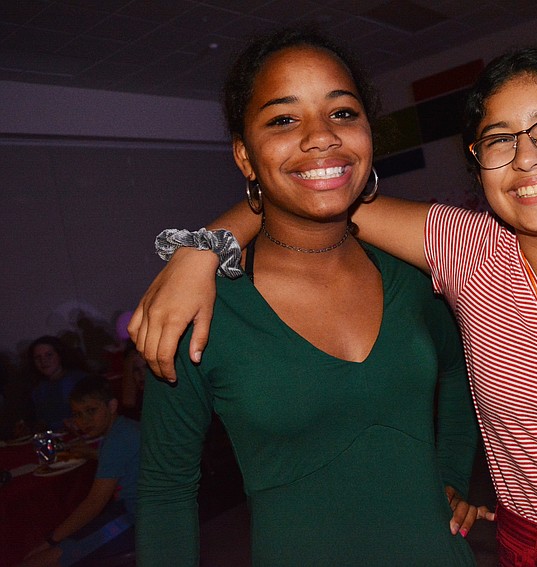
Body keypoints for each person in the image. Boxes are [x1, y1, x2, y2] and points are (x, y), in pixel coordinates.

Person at [131, 46, 537, 566]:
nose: (527, 158)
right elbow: (312, 192)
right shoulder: (467, 254)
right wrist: (200, 250)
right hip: (525, 551)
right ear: (479, 168)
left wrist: (200, 246)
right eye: (499, 140)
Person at [134, 29, 481, 567]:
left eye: (342, 113)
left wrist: (451, 473)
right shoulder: (199, 307)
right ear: (245, 156)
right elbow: (165, 493)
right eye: (283, 119)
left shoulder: (414, 272)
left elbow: (462, 373)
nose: (321, 136)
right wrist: (199, 252)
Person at [20, 375, 139, 567]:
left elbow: (94, 503)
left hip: (138, 518)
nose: (85, 420)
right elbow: (124, 461)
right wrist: (93, 453)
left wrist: (51, 540)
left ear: (112, 406)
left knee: (35, 562)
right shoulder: (124, 428)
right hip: (135, 508)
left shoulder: (117, 440)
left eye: (91, 410)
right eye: (78, 414)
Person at [21, 336, 88, 434]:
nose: (43, 361)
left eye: (49, 355)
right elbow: (42, 421)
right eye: (38, 357)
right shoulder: (38, 390)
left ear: (60, 355)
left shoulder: (78, 380)